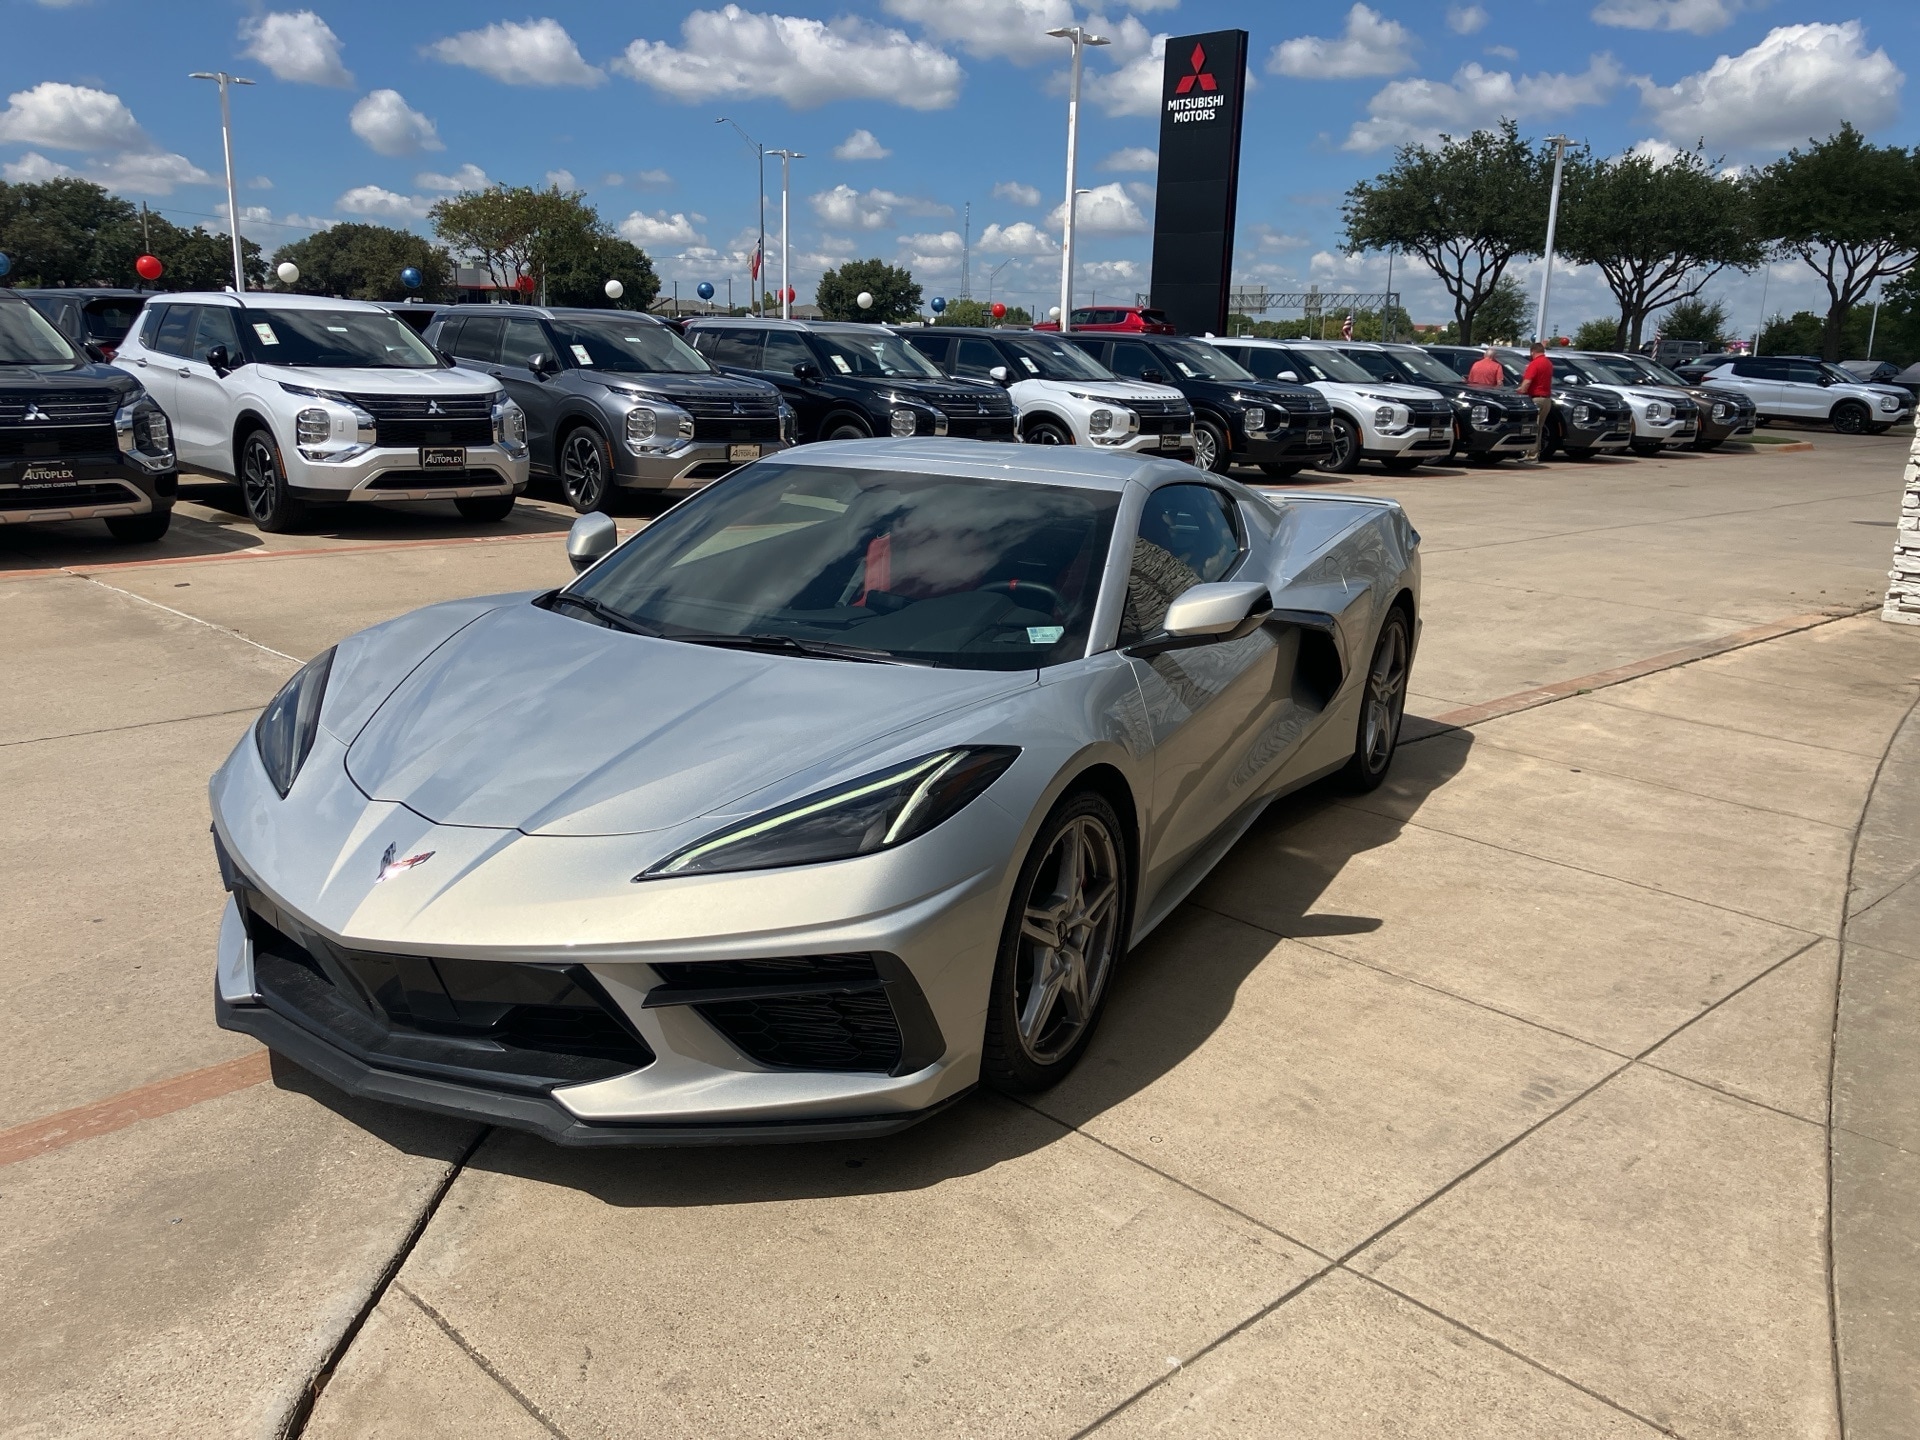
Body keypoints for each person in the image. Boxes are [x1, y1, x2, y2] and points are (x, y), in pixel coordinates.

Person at [1520, 341, 1555, 461]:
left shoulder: (1534, 364)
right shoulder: (1548, 363)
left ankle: (1532, 455)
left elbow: (1527, 381)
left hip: (1536, 399)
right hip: (1546, 399)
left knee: (1533, 427)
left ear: (1532, 352)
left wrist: (1520, 391)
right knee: (1539, 427)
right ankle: (1534, 453)